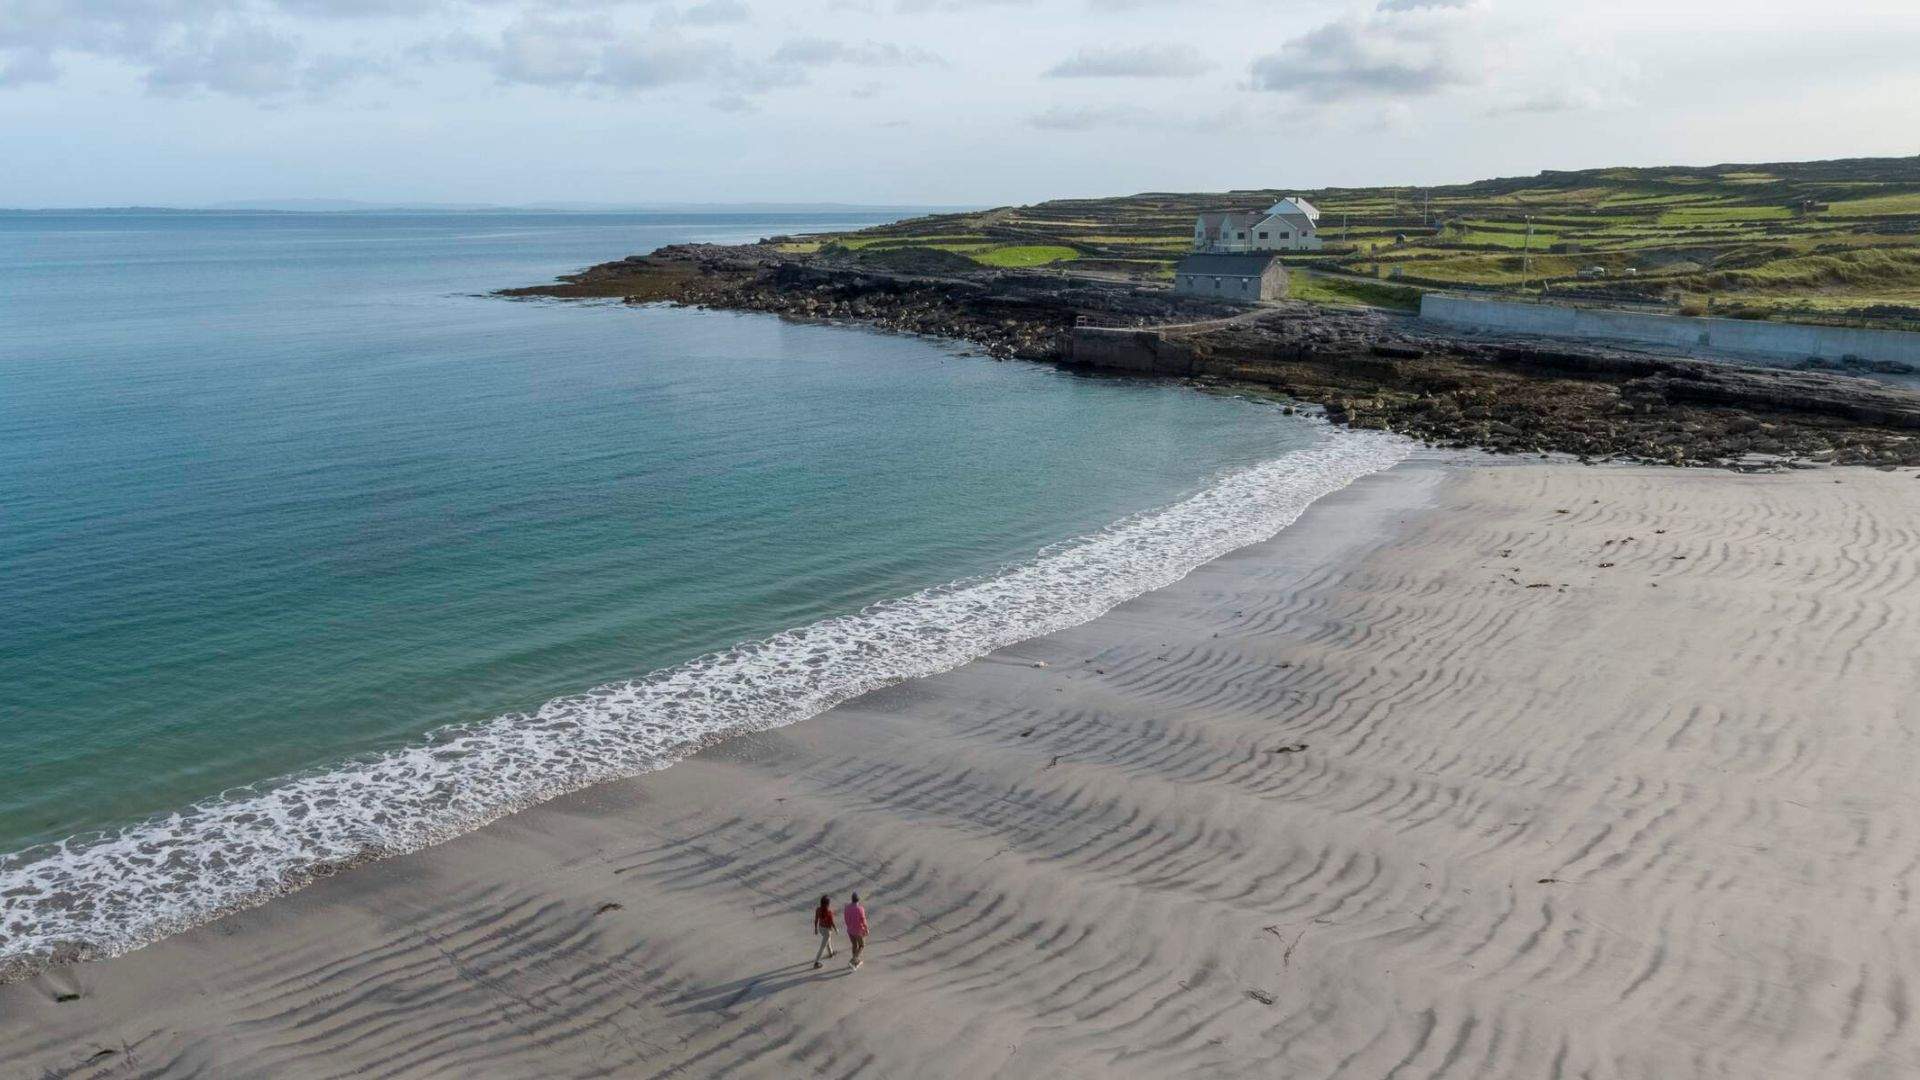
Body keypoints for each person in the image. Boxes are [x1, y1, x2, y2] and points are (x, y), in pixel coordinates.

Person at [844, 893, 869, 969]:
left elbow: (846, 919)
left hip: (850, 930)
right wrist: (866, 929)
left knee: (854, 945)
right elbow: (863, 920)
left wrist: (849, 926)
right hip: (858, 931)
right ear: (858, 900)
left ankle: (855, 961)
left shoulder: (847, 908)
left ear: (852, 899)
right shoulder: (860, 908)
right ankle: (853, 960)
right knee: (861, 945)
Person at [812, 895, 836, 969]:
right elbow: (832, 923)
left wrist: (815, 929)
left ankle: (831, 953)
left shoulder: (818, 909)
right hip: (827, 930)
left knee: (827, 941)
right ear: (828, 903)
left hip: (821, 928)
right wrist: (836, 929)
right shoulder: (829, 912)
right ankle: (816, 962)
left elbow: (816, 920)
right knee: (822, 946)